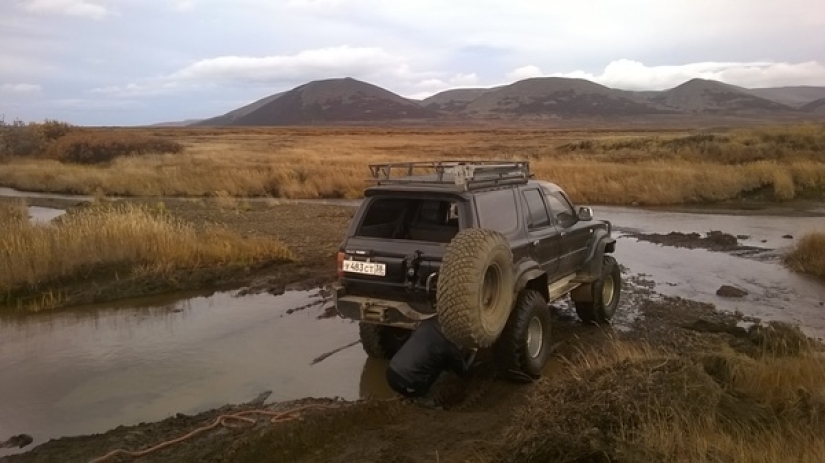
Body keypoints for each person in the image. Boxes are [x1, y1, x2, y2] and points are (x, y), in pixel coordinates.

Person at [385, 317, 477, 402]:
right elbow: (463, 372)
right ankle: (425, 401)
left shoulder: (427, 324)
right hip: (409, 384)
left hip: (390, 374)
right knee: (441, 370)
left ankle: (404, 392)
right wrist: (473, 350)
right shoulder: (449, 346)